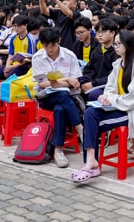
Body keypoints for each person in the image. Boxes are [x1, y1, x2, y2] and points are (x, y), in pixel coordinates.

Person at [72, 29, 134, 184]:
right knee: (89, 113)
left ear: (128, 45)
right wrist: (106, 96)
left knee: (93, 123)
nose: (115, 47)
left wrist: (112, 99)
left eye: (118, 44)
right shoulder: (118, 64)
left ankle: (91, 164)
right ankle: (91, 160)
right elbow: (110, 87)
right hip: (119, 107)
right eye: (115, 44)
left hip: (132, 111)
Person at [32, 27, 83, 168]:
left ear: (59, 41)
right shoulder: (37, 57)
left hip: (68, 95)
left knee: (60, 109)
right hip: (47, 97)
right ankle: (79, 127)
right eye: (46, 46)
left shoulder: (69, 56)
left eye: (52, 45)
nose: (50, 49)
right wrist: (66, 79)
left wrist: (58, 82)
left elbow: (75, 83)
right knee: (61, 94)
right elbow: (43, 83)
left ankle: (58, 149)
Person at [79, 17, 119, 101]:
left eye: (103, 32)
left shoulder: (116, 52)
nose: (100, 35)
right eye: (98, 32)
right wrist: (87, 81)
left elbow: (112, 76)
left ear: (112, 33)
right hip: (93, 83)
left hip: (106, 86)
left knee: (93, 95)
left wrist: (93, 84)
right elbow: (88, 69)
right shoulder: (97, 50)